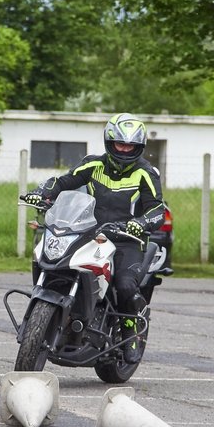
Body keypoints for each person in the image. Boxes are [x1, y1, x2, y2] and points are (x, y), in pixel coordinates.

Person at [22, 113, 165, 364]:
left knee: (124, 284)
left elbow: (156, 209)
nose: (124, 149)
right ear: (109, 143)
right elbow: (63, 181)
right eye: (120, 144)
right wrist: (42, 193)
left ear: (139, 147)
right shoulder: (93, 165)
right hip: (89, 233)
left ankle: (131, 332)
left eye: (130, 145)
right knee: (54, 262)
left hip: (125, 240)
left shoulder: (146, 173)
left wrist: (140, 223)